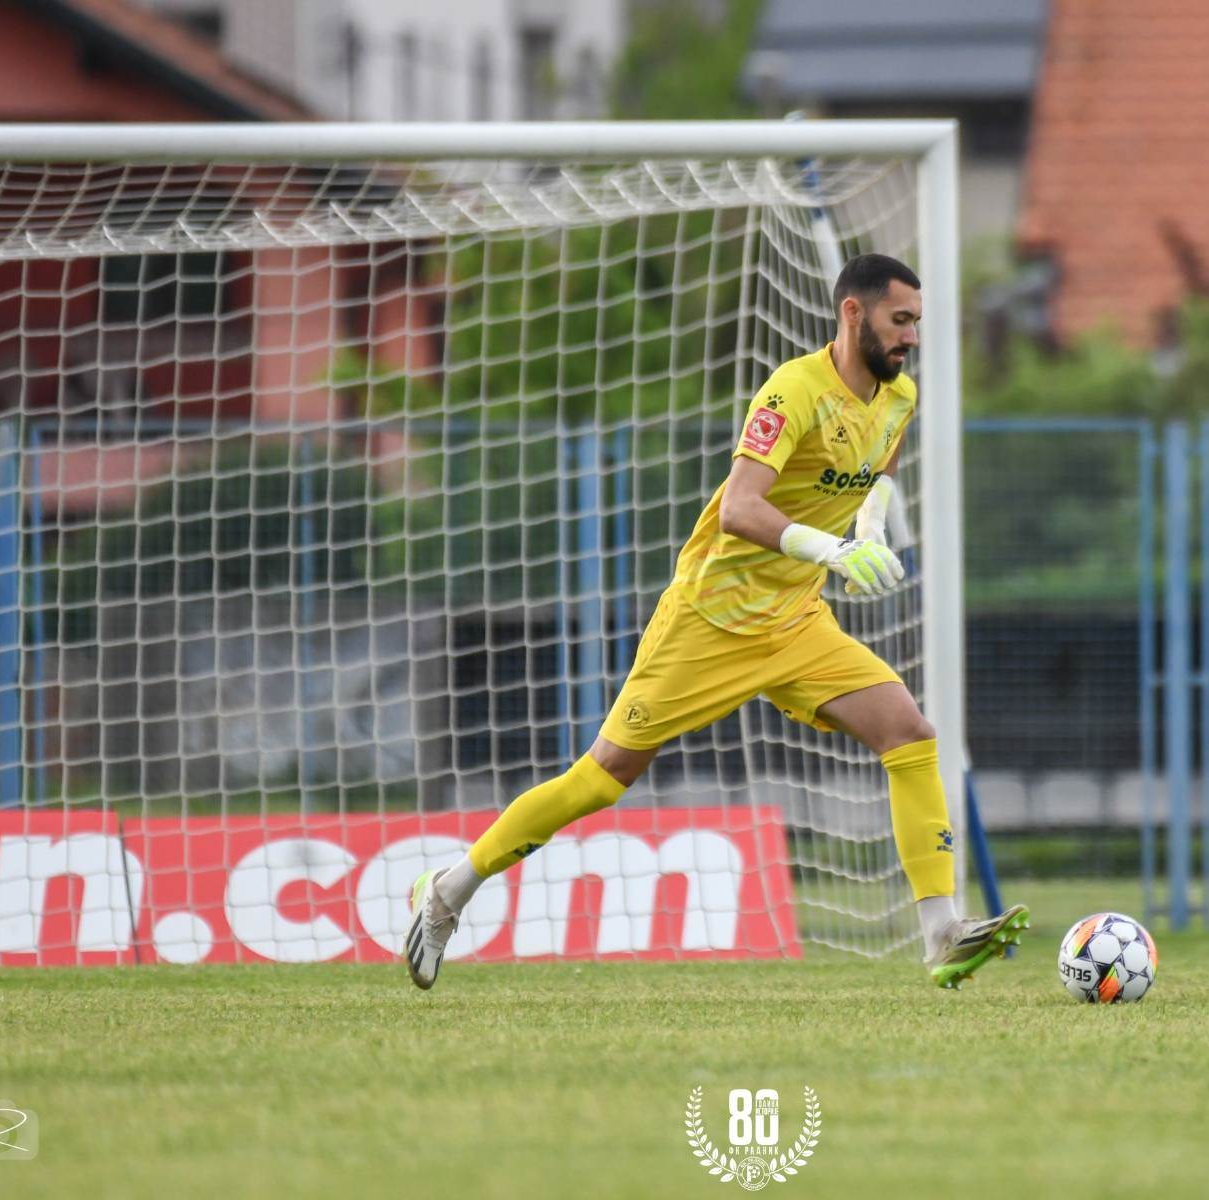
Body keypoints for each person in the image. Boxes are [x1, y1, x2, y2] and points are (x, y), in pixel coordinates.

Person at [404, 253, 1028, 990]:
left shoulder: (898, 397)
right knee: (603, 778)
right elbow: (739, 507)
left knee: (909, 733)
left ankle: (941, 933)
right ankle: (448, 891)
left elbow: (881, 466)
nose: (911, 338)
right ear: (853, 314)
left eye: (917, 323)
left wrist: (873, 526)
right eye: (900, 321)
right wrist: (831, 549)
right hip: (710, 620)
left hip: (794, 621)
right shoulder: (792, 391)